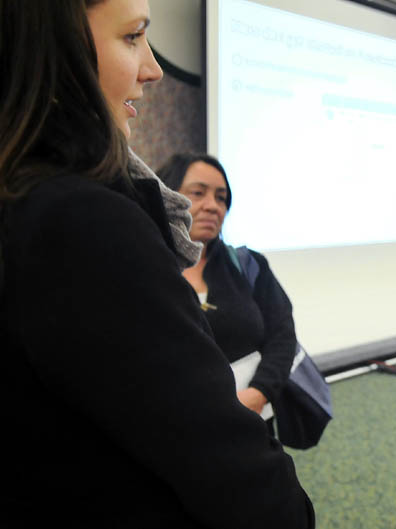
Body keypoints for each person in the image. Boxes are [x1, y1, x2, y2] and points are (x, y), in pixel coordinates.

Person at [0, 1, 314, 527]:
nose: (153, 67)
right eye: (132, 36)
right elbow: (226, 468)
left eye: (222, 196)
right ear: (56, 46)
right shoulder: (83, 221)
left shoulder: (243, 264)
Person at [158, 153, 295, 421]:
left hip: (251, 420)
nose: (212, 206)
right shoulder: (147, 267)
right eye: (198, 193)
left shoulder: (249, 265)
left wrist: (259, 393)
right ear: (167, 197)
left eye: (221, 198)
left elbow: (282, 336)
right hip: (176, 427)